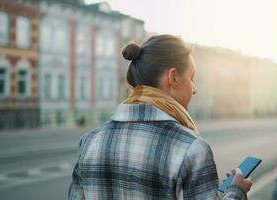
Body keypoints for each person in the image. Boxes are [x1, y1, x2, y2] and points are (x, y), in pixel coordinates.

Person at [68, 34, 252, 199]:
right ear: (173, 77)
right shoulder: (191, 148)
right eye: (192, 78)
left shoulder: (90, 142)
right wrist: (236, 191)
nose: (194, 89)